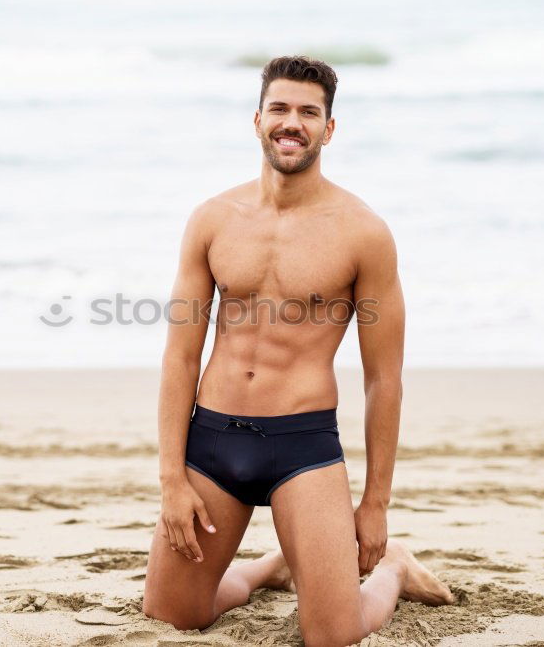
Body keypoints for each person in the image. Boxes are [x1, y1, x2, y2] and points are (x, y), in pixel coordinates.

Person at [141, 55, 453, 647]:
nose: (293, 123)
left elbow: (383, 378)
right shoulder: (211, 220)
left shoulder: (363, 232)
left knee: (333, 637)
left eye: (309, 112)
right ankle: (268, 569)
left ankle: (393, 570)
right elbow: (180, 356)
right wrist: (170, 480)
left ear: (328, 129)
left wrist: (375, 505)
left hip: (302, 447)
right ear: (257, 120)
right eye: (280, 109)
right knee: (172, 615)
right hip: (213, 440)